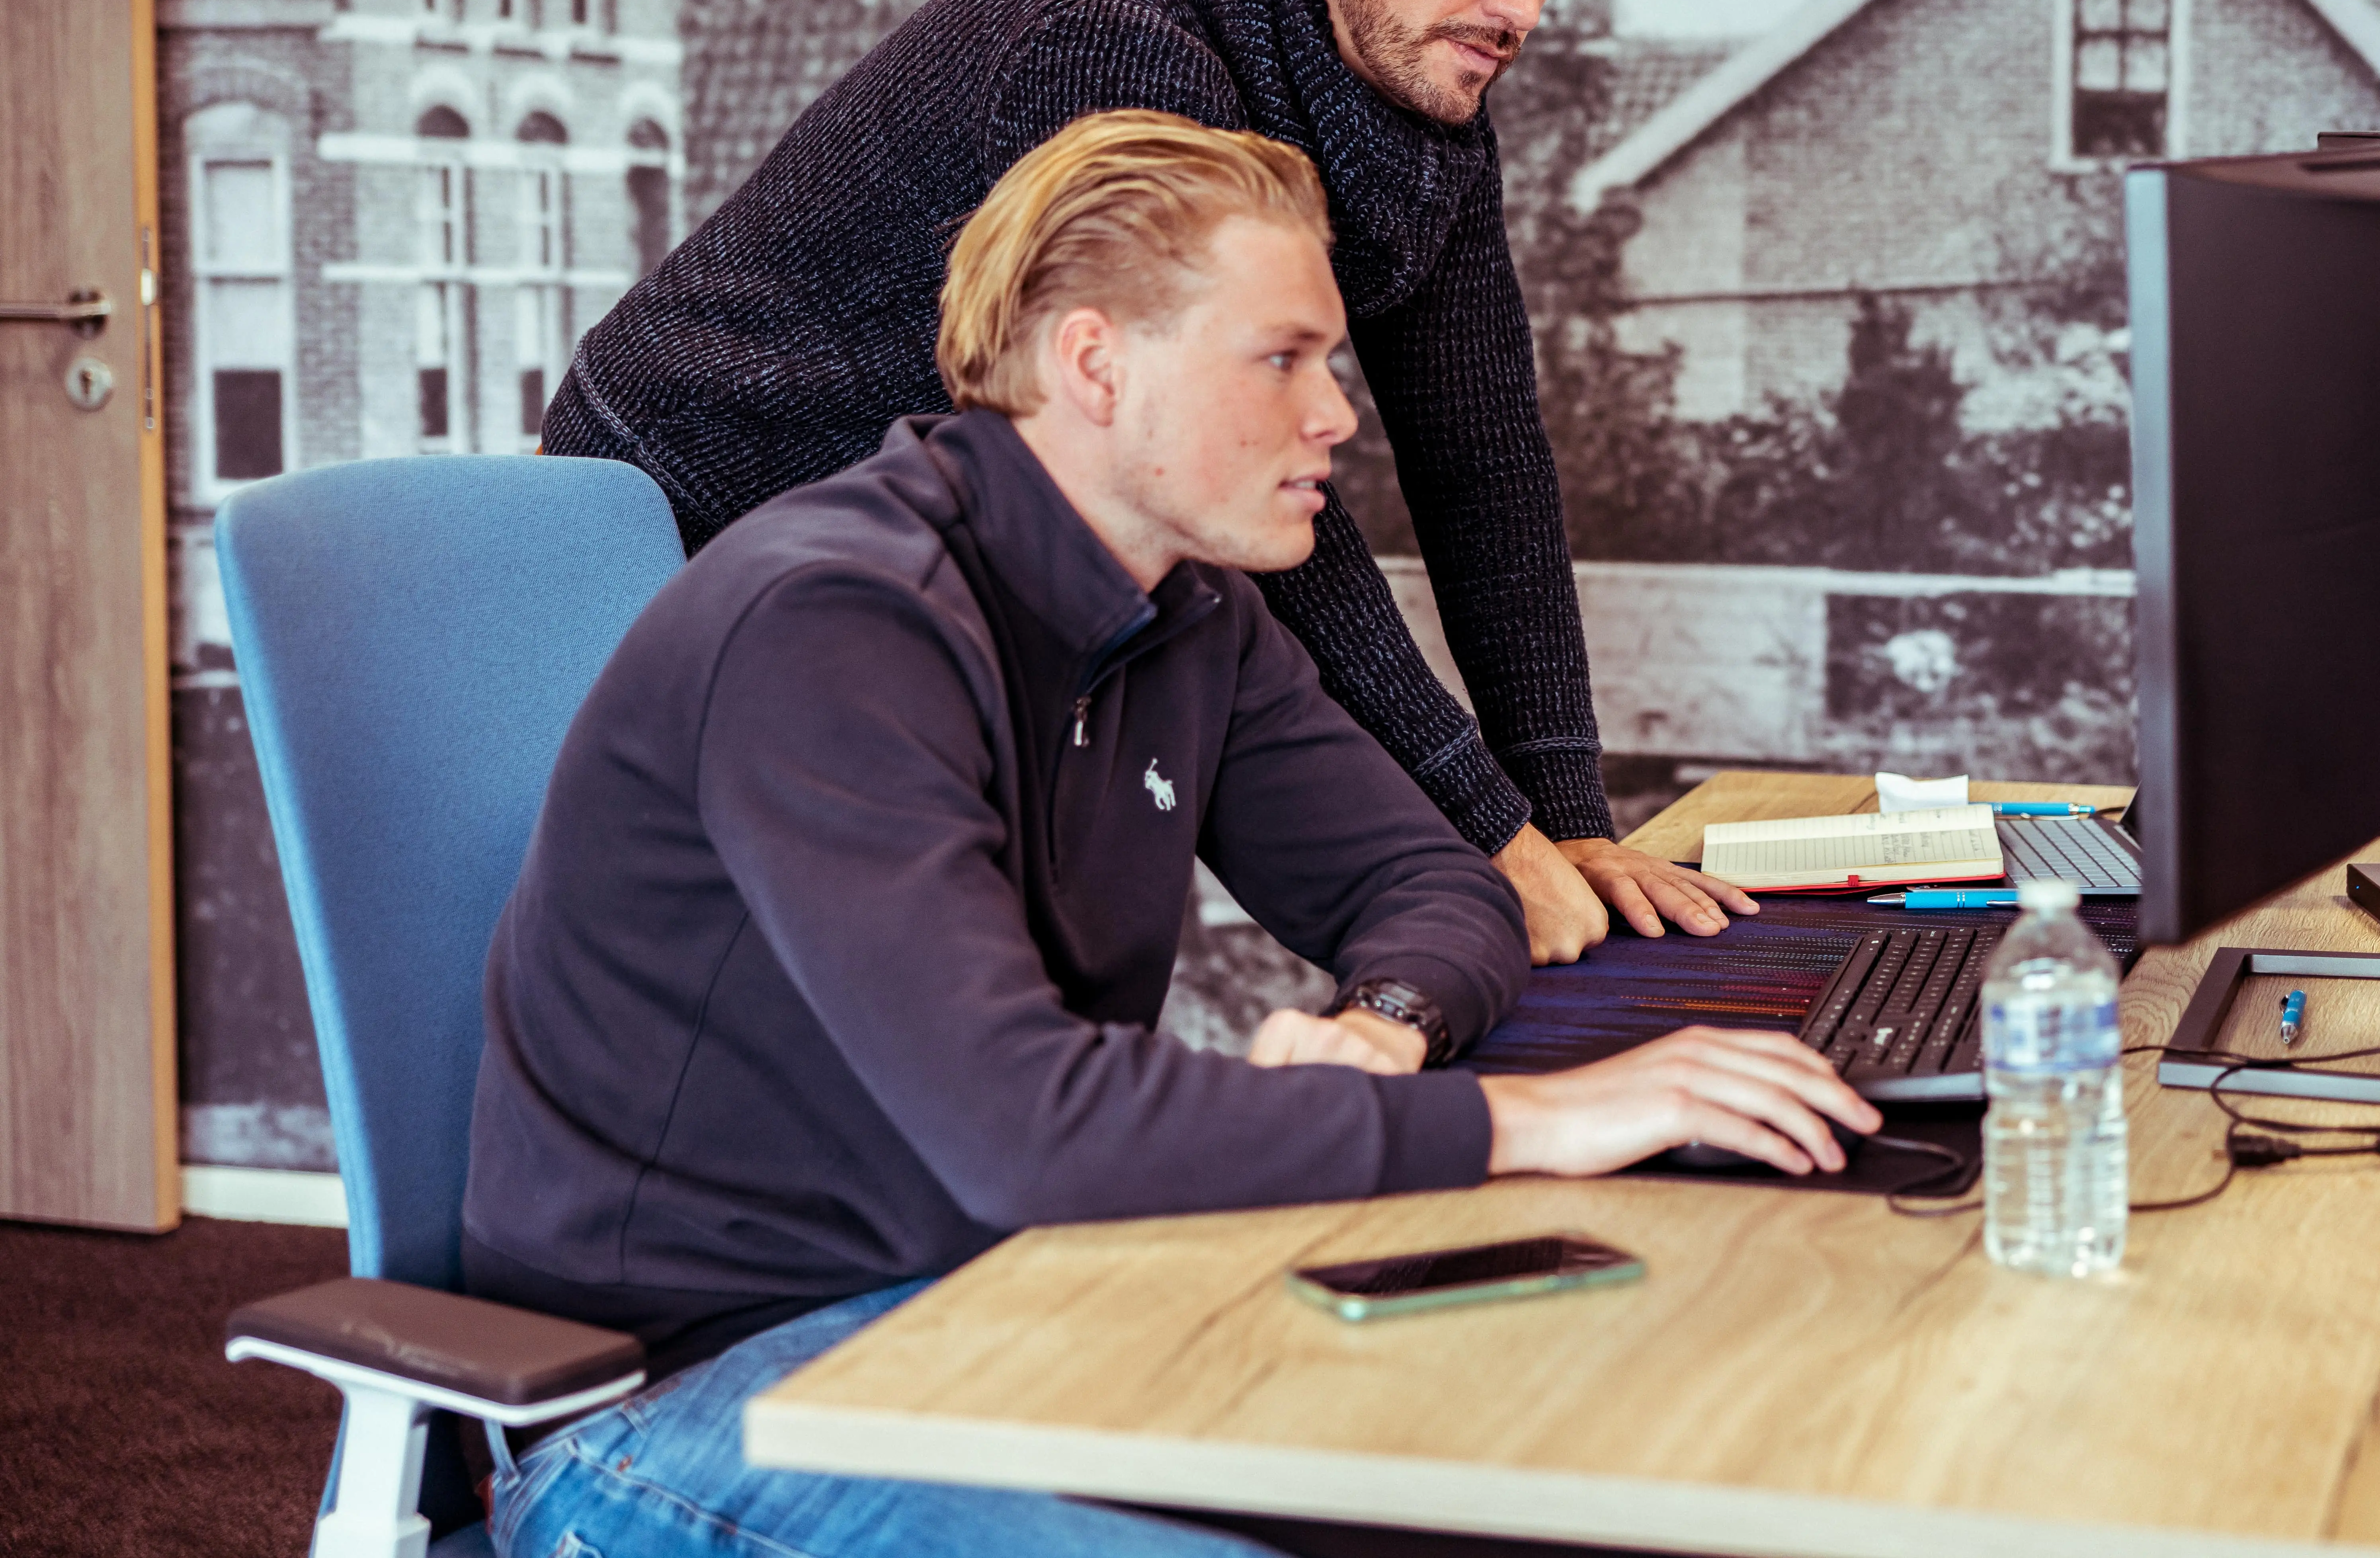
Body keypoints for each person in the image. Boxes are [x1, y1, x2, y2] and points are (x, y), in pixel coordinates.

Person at [470, 113, 1878, 1558]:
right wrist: (1545, 1119)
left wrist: (1388, 1026)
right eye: (1281, 359)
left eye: (1328, 362)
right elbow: (1032, 1133)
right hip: (683, 1402)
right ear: (1096, 365)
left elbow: (1428, 882)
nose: (1336, 413)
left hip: (1013, 1291)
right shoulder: (835, 625)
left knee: (1540, 1478)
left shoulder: (1189, 609)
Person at [547, 0, 1745, 964]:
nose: (1520, 4)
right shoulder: (1124, 46)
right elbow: (1223, 464)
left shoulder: (1420, 88)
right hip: (696, 524)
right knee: (913, 1032)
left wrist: (1563, 829)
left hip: (946, 556)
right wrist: (1488, 836)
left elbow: (1484, 466)